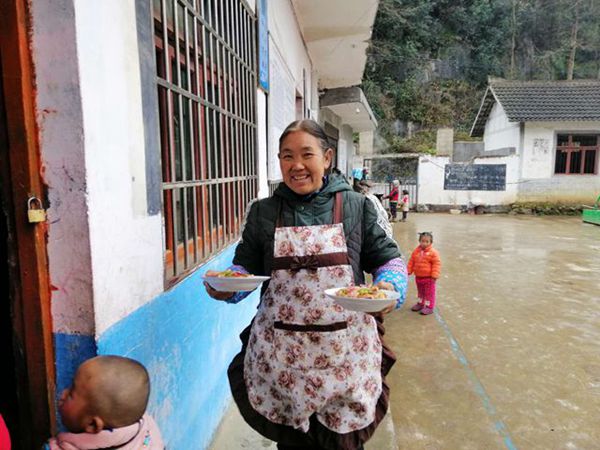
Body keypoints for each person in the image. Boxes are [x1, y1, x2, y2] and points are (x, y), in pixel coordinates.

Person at [204, 119, 407, 450]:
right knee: (292, 444)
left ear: (326, 158)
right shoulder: (263, 213)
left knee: (343, 443)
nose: (296, 165)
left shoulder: (357, 207)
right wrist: (227, 288)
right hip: (282, 360)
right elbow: (244, 269)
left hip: (345, 358)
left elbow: (389, 261)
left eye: (306, 154)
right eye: (287, 156)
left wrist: (390, 288)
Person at [47, 356, 164, 450]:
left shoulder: (64, 446)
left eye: (71, 394)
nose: (63, 394)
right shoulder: (144, 428)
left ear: (92, 424)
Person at [407, 232, 441, 315]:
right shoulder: (416, 251)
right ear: (419, 241)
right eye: (422, 241)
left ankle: (429, 307)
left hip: (429, 278)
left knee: (429, 293)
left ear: (431, 242)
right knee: (420, 292)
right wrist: (408, 271)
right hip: (418, 277)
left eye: (427, 241)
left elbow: (436, 264)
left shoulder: (433, 253)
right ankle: (420, 303)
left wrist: (434, 275)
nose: (424, 243)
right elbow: (411, 261)